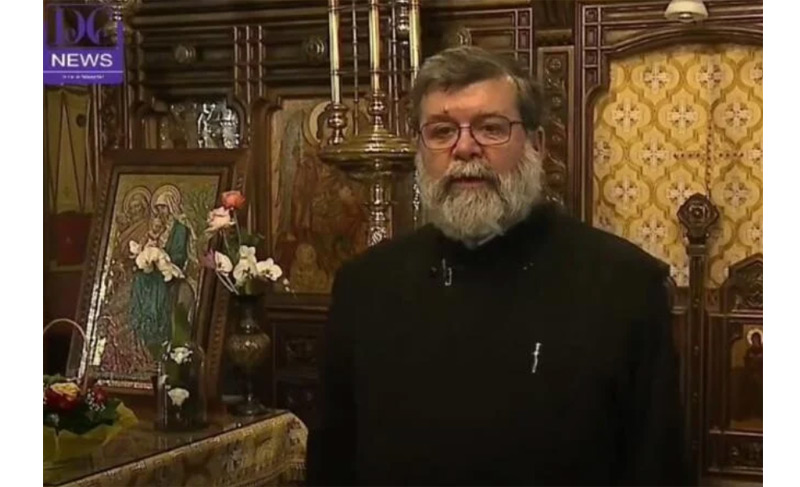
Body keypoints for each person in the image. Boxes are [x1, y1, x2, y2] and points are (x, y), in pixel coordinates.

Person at [306, 46, 687, 486]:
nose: (465, 148)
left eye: (491, 128)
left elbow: (658, 466)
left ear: (536, 145)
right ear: (420, 150)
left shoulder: (626, 285)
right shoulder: (365, 286)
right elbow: (332, 463)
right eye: (442, 131)